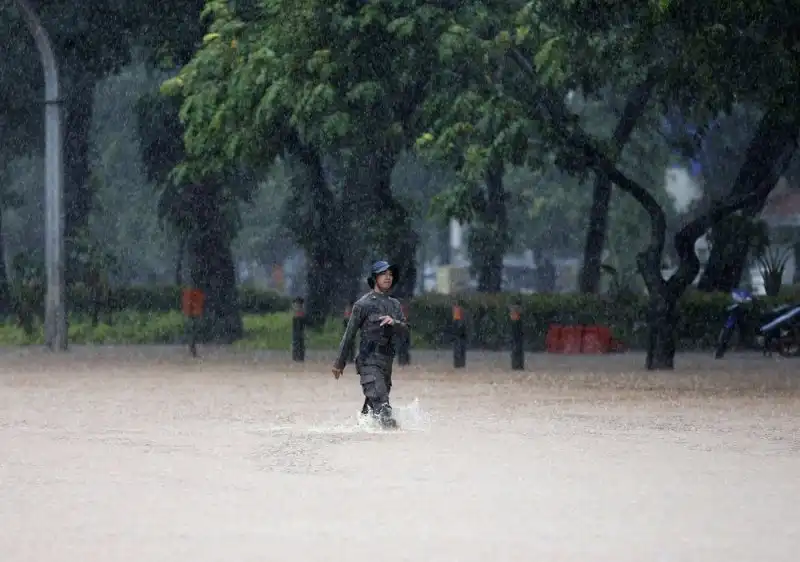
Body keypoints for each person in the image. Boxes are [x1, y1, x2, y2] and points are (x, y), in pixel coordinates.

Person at [332, 261, 409, 428]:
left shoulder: (394, 305)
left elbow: (405, 330)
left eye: (390, 274)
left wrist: (394, 322)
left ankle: (359, 435)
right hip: (368, 362)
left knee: (372, 414)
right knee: (383, 408)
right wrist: (339, 362)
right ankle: (394, 437)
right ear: (375, 278)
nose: (388, 277)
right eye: (383, 274)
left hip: (386, 363)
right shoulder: (363, 304)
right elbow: (349, 334)